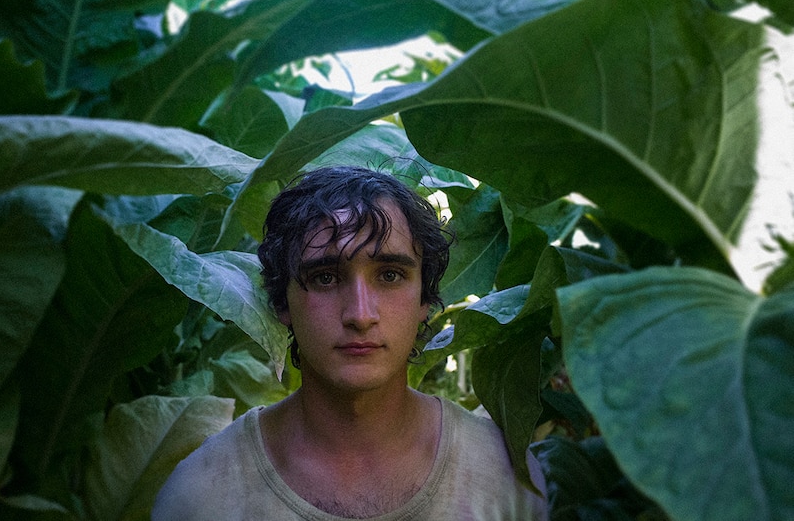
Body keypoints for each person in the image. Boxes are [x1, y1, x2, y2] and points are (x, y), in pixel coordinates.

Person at [152, 166, 548, 520]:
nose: (360, 315)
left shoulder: (507, 479)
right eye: (325, 277)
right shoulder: (201, 496)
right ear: (281, 301)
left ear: (424, 300)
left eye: (390, 275)